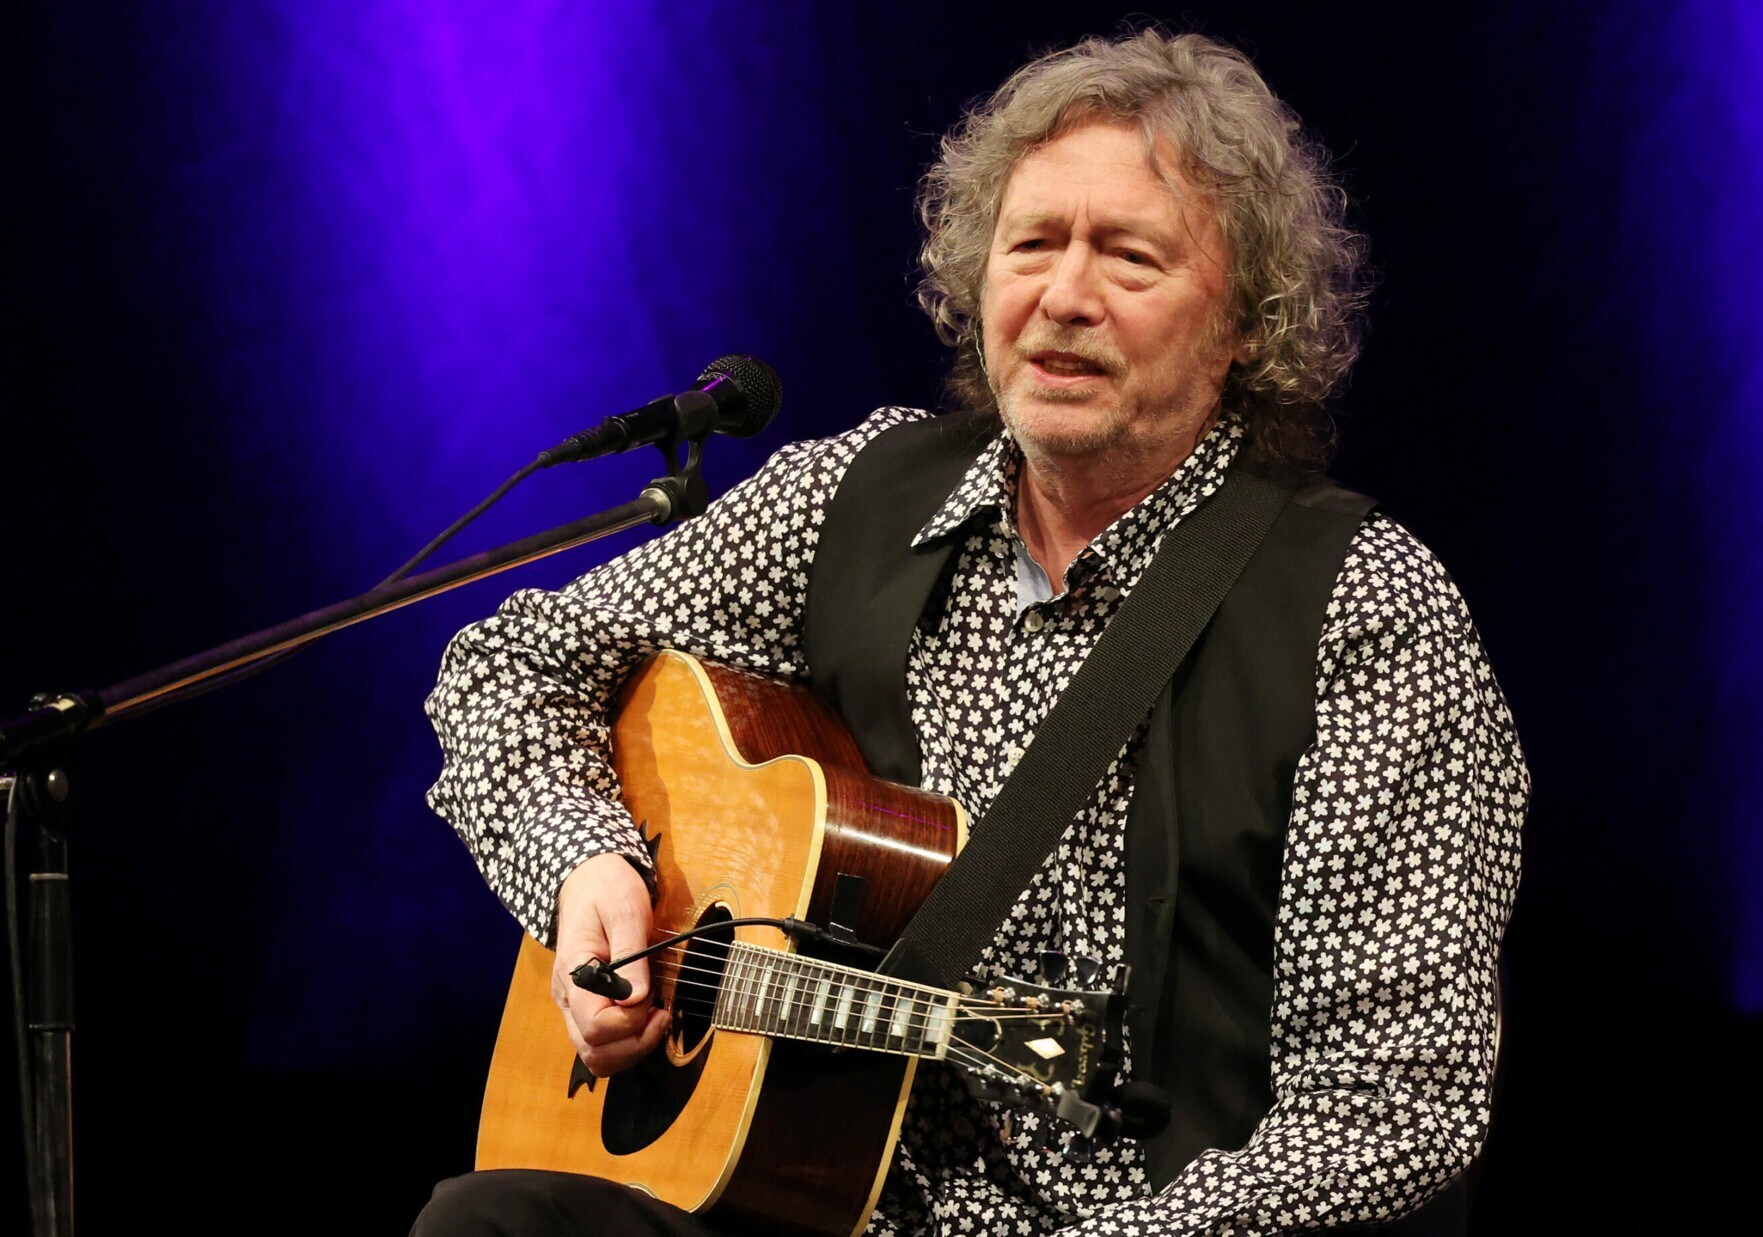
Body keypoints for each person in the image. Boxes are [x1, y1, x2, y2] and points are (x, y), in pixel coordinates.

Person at [417, 28, 1525, 1236]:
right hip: (809, 1198)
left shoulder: (1361, 614)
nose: (1064, 297)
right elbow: (509, 668)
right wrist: (588, 869)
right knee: (491, 1220)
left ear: (1245, 322)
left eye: (1131, 257)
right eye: (1032, 244)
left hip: (1147, 1224)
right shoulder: (853, 497)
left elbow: (1394, 1103)